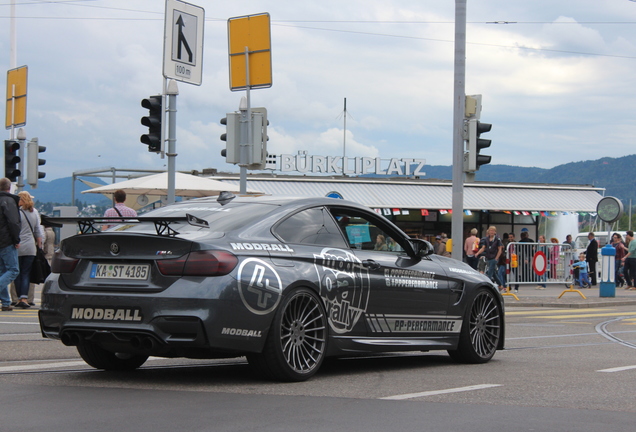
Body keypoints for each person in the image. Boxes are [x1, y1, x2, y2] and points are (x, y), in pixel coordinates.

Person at [14, 192, 42, 309]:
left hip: (18, 245)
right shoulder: (34, 212)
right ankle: (24, 298)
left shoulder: (17, 212)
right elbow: (37, 231)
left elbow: (14, 227)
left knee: (17, 273)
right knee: (26, 273)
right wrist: (39, 245)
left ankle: (18, 298)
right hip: (31, 247)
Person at [0, 178, 21, 312]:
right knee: (13, 270)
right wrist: (16, 240)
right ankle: (6, 302)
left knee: (2, 271)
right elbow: (13, 222)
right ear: (9, 188)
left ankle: (6, 302)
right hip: (6, 240)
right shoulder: (9, 201)